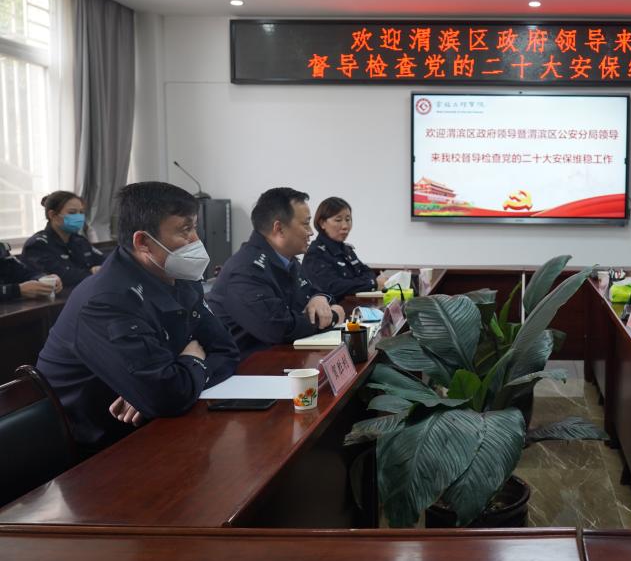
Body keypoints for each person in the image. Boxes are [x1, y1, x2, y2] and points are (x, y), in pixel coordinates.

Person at [36, 182, 239, 453]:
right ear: (143, 242)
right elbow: (166, 396)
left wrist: (158, 385)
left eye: (195, 227)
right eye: (185, 230)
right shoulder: (106, 300)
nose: (196, 241)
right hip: (95, 445)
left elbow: (226, 351)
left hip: (154, 422)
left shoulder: (179, 277)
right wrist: (190, 360)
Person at [208, 187, 345, 358]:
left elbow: (313, 292)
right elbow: (278, 328)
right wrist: (332, 317)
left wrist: (320, 298)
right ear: (279, 228)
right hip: (248, 367)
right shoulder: (245, 271)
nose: (311, 232)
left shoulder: (288, 261)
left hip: (283, 357)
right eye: (305, 224)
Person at [301, 197, 387, 298]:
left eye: (348, 219)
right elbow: (334, 287)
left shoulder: (347, 250)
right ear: (322, 223)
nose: (345, 226)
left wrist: (364, 282)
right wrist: (372, 283)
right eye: (338, 220)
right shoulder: (315, 254)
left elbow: (368, 272)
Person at [22, 191, 106, 290]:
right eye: (72, 213)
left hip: (87, 291)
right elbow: (64, 276)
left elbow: (106, 262)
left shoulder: (80, 241)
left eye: (81, 212)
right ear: (52, 215)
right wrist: (92, 272)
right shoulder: (38, 245)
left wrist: (99, 269)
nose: (79, 217)